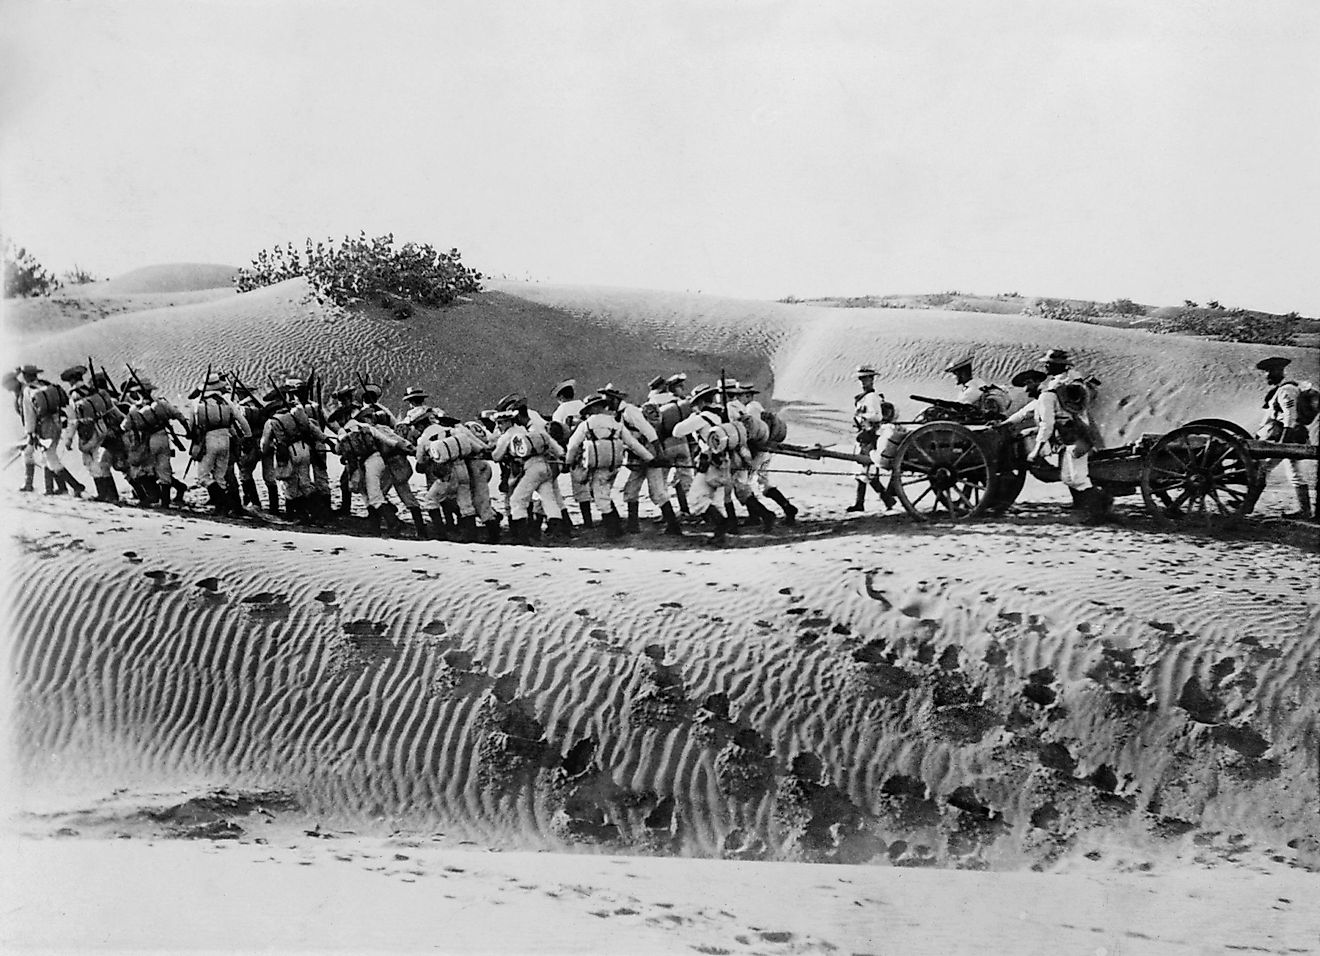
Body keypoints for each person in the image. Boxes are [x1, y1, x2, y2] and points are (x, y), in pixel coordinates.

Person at [565, 391, 657, 538]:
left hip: (596, 466)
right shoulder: (616, 424)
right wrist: (650, 458)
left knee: (601, 499)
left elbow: (572, 445)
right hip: (614, 466)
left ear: (593, 408)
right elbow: (633, 444)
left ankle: (614, 529)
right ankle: (616, 526)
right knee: (604, 493)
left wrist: (568, 462)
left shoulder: (586, 425)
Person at [1029, 349, 1105, 522]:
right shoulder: (1064, 383)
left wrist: (1037, 449)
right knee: (1068, 477)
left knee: (1078, 477)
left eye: (1048, 364)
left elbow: (1047, 424)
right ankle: (1088, 507)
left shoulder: (1055, 390)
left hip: (1075, 435)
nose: (1045, 367)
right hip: (1073, 435)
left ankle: (1100, 511)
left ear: (1058, 366)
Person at [491, 399, 567, 544]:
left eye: (500, 423)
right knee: (549, 499)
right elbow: (556, 448)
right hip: (546, 466)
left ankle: (522, 537)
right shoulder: (527, 431)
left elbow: (496, 456)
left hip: (531, 467)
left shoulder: (507, 436)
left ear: (508, 422)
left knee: (517, 500)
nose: (498, 426)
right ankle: (558, 533)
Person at [671, 383, 736, 544]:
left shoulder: (701, 418)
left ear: (700, 402)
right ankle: (720, 536)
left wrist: (692, 417)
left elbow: (677, 431)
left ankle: (721, 526)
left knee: (696, 500)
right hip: (724, 461)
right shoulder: (722, 415)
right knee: (717, 501)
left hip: (709, 463)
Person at [1252, 356, 1313, 519]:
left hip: (1289, 437)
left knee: (1265, 469)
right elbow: (1271, 416)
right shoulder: (1279, 390)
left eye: (1267, 372)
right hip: (1286, 437)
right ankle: (1305, 510)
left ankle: (1248, 504)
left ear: (1276, 372)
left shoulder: (1287, 390)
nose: (1266, 376)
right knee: (1290, 472)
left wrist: (1283, 444)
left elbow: (1289, 416)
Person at [188, 372, 251, 514]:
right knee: (220, 476)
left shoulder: (197, 403)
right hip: (226, 439)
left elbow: (192, 426)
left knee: (203, 477)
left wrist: (193, 436)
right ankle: (221, 508)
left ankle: (223, 502)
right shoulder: (226, 402)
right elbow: (242, 421)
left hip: (209, 439)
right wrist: (248, 436)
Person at [123, 375, 188, 507]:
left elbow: (125, 426)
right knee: (164, 469)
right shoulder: (161, 404)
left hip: (148, 441)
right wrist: (188, 431)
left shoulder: (134, 410)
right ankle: (165, 502)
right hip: (163, 437)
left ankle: (152, 497)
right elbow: (179, 416)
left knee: (146, 469)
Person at [846, 364, 895, 512]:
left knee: (867, 470)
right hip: (863, 435)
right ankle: (861, 503)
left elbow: (877, 416)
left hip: (871, 435)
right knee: (861, 470)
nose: (863, 382)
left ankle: (887, 499)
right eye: (861, 379)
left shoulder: (872, 397)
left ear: (872, 379)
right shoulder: (863, 397)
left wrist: (862, 416)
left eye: (866, 379)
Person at [550, 379, 592, 527]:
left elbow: (556, 432)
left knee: (577, 485)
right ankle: (589, 521)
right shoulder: (583, 406)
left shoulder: (560, 411)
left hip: (570, 448)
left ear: (561, 397)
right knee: (586, 485)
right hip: (588, 446)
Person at [944, 356, 1010, 417]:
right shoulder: (979, 383)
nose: (953, 377)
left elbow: (959, 407)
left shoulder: (972, 389)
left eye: (954, 374)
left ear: (962, 373)